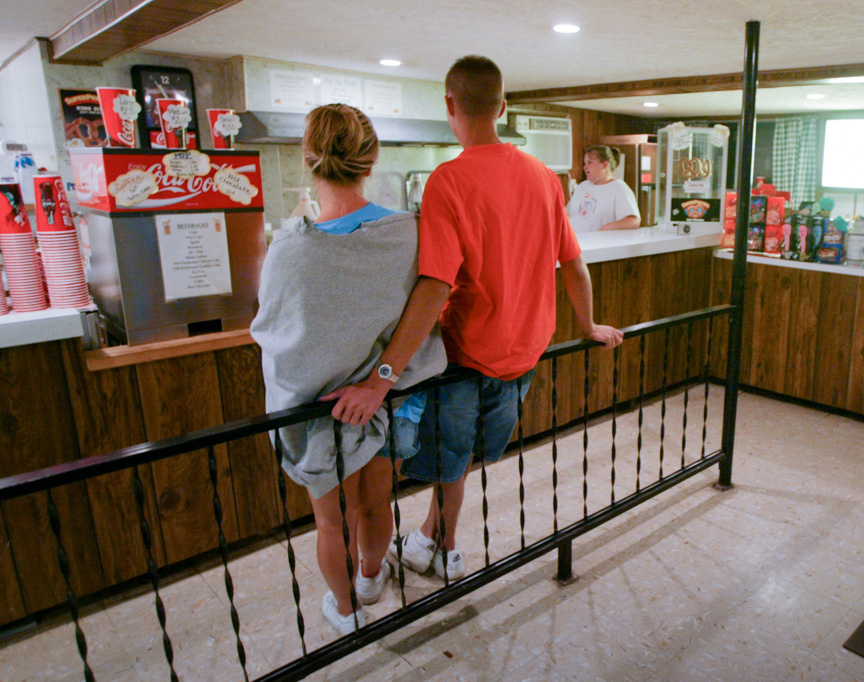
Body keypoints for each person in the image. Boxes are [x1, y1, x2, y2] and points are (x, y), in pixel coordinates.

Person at [323, 56, 623, 582]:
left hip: (465, 357)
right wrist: (589, 326)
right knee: (465, 460)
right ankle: (437, 543)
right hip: (523, 356)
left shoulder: (448, 181)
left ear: (449, 106)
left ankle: (439, 546)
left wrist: (381, 377)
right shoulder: (544, 177)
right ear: (503, 107)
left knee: (448, 459)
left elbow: (434, 285)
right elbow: (574, 266)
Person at [250, 104, 446, 635]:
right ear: (372, 158)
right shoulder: (408, 233)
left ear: (308, 160)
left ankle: (345, 610)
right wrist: (377, 378)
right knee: (378, 502)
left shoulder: (288, 248)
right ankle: (370, 576)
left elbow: (276, 335)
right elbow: (428, 302)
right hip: (377, 403)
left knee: (332, 520)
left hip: (317, 415)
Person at [567, 145, 641, 232]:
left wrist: (608, 227)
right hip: (574, 242)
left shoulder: (618, 188)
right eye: (585, 163)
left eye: (589, 162)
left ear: (605, 165)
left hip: (597, 244)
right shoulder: (582, 186)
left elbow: (633, 221)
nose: (585, 167)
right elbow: (568, 213)